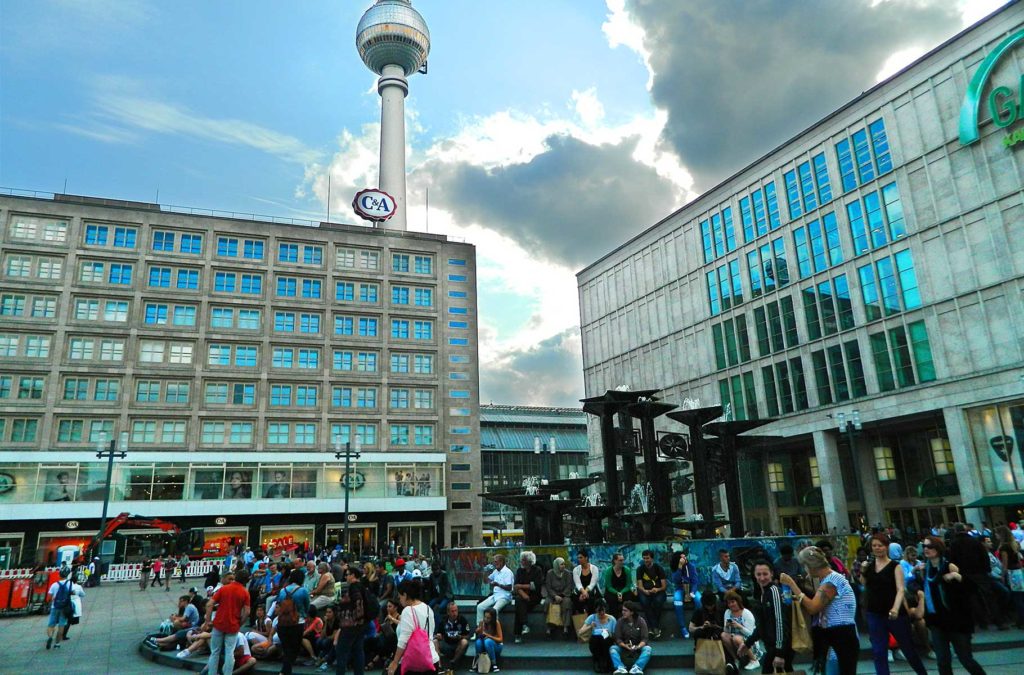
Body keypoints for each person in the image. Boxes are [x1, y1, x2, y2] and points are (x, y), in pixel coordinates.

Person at [779, 546, 859, 675]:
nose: (804, 569)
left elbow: (812, 607)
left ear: (811, 565)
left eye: (805, 566)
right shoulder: (828, 580)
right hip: (836, 635)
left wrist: (792, 585)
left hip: (842, 635)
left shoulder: (831, 582)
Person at [859, 533, 927, 675]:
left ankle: (922, 672)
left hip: (896, 613)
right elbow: (865, 584)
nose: (877, 548)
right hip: (875, 612)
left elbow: (900, 589)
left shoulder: (895, 566)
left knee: (908, 649)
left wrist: (895, 608)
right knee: (878, 651)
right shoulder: (870, 566)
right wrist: (863, 571)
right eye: (874, 546)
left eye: (880, 545)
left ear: (887, 547)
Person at [921, 535, 987, 675]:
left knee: (965, 658)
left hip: (957, 620)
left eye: (930, 546)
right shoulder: (925, 569)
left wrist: (958, 577)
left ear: (938, 549)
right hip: (937, 621)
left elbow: (972, 588)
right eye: (924, 546)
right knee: (943, 660)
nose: (926, 549)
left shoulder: (949, 565)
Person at [741, 561, 791, 674]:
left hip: (779, 647)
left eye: (765, 574)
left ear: (771, 574)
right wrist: (748, 643)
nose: (762, 578)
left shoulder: (774, 591)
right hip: (772, 646)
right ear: (754, 575)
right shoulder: (763, 594)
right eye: (759, 574)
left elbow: (780, 622)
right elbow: (762, 624)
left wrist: (780, 653)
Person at [389, 579, 441, 675]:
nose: (399, 600)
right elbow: (430, 633)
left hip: (415, 664)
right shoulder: (428, 608)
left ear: (405, 595)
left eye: (400, 597)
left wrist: (395, 662)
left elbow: (403, 640)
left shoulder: (408, 611)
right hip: (432, 659)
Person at [205, 569, 251, 675]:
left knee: (215, 652)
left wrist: (208, 621)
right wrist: (240, 623)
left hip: (219, 623)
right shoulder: (245, 592)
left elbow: (209, 604)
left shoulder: (224, 589)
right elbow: (247, 611)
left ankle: (211, 673)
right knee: (229, 652)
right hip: (233, 625)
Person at [333, 565, 368, 675]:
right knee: (358, 651)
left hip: (350, 624)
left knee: (341, 652)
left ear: (353, 575)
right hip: (360, 625)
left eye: (347, 575)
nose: (346, 577)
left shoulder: (354, 588)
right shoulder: (362, 587)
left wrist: (357, 617)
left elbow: (358, 604)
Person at [277, 568, 311, 675]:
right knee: (294, 648)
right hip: (297, 622)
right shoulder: (303, 591)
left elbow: (278, 603)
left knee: (286, 648)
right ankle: (284, 672)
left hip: (282, 623)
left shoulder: (283, 590)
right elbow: (307, 607)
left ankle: (285, 671)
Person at [720, 590, 758, 671]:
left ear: (738, 601)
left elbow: (751, 634)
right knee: (723, 635)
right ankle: (736, 659)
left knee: (736, 638)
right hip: (734, 638)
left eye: (733, 602)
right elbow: (726, 631)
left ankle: (754, 660)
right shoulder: (727, 612)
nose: (731, 605)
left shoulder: (747, 613)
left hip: (749, 641)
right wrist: (727, 626)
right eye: (729, 603)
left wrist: (739, 626)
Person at [512, 550, 545, 643]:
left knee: (519, 607)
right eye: (521, 560)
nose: (521, 562)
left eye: (523, 560)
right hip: (523, 595)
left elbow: (536, 586)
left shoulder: (537, 570)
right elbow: (515, 586)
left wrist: (521, 586)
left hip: (535, 596)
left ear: (529, 561)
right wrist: (523, 594)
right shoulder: (519, 571)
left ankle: (518, 634)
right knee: (519, 601)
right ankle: (525, 625)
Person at [610, 601, 651, 675]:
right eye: (622, 610)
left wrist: (638, 646)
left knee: (648, 649)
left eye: (625, 610)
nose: (623, 612)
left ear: (632, 612)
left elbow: (645, 638)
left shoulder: (641, 621)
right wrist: (625, 645)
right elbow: (617, 638)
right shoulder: (620, 621)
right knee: (613, 648)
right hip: (624, 646)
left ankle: (637, 667)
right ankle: (620, 667)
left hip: (637, 646)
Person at [996, 525, 1024, 627]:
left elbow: (1005, 563)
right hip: (1018, 571)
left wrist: (1003, 575)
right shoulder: (1014, 544)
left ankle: (1021, 620)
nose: (996, 536)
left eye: (997, 534)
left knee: (1016, 598)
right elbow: (1019, 559)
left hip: (1011, 572)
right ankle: (1020, 620)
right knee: (1020, 596)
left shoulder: (1004, 547)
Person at [635, 550, 667, 639]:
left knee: (658, 601)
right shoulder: (640, 569)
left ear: (652, 558)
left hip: (658, 591)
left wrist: (657, 589)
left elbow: (664, 586)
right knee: (645, 602)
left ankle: (651, 628)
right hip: (645, 592)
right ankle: (655, 628)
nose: (646, 560)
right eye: (644, 558)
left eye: (647, 558)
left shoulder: (659, 568)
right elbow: (639, 585)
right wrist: (645, 591)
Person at [476, 554, 514, 625]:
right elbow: (486, 581)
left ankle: (494, 632)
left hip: (505, 596)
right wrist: (485, 572)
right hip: (495, 595)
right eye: (494, 562)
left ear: (501, 562)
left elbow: (509, 587)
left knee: (494, 610)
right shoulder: (495, 571)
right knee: (480, 607)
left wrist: (498, 584)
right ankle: (480, 629)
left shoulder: (508, 572)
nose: (494, 563)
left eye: (496, 562)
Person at [434, 601, 471, 672]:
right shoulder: (443, 621)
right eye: (452, 611)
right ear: (448, 612)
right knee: (435, 641)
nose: (454, 613)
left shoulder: (462, 620)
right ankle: (439, 665)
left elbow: (468, 636)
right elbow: (439, 634)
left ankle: (453, 662)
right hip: (447, 644)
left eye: (456, 611)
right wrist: (439, 636)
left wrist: (460, 637)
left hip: (458, 645)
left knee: (464, 642)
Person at [582, 599, 616, 673]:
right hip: (596, 643)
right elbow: (581, 632)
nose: (601, 613)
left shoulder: (612, 619)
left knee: (605, 640)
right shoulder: (592, 617)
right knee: (595, 639)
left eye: (603, 611)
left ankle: (607, 662)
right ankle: (597, 661)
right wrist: (590, 626)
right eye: (599, 612)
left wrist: (609, 634)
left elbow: (615, 636)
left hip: (607, 643)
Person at [545, 556, 574, 639]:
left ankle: (565, 627)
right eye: (561, 564)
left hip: (564, 595)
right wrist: (555, 596)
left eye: (564, 564)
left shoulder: (567, 573)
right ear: (557, 565)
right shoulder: (550, 573)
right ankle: (549, 628)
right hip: (552, 595)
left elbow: (569, 586)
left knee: (567, 602)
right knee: (547, 603)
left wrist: (561, 596)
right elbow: (548, 587)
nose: (563, 566)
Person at [671, 551, 698, 639]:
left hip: (691, 589)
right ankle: (682, 627)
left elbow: (695, 581)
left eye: (685, 557)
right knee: (677, 601)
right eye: (682, 558)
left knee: (699, 600)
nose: (684, 559)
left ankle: (697, 623)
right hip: (680, 589)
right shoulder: (675, 568)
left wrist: (692, 592)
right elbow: (676, 580)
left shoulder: (691, 567)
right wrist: (679, 567)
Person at [45, 568, 75, 649]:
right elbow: (74, 592)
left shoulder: (54, 585)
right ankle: (57, 644)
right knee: (61, 626)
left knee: (51, 625)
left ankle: (50, 637)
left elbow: (49, 597)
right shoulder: (70, 584)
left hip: (55, 607)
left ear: (59, 575)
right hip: (65, 607)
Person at [602, 552, 636, 621]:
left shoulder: (627, 570)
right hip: (612, 590)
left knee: (628, 598)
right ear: (615, 561)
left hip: (624, 590)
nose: (622, 562)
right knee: (612, 600)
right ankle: (613, 621)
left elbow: (628, 585)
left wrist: (621, 593)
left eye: (623, 560)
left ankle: (628, 619)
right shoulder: (609, 571)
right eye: (620, 560)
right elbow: (608, 586)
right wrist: (617, 593)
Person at [473, 606, 503, 673]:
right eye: (485, 617)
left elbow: (500, 639)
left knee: (488, 641)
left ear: (492, 618)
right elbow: (480, 636)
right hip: (485, 645)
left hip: (496, 646)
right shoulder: (482, 622)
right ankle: (477, 663)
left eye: (488, 618)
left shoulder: (496, 623)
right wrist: (478, 632)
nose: (486, 619)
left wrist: (489, 636)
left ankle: (494, 664)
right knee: (478, 642)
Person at [573, 549, 601, 616]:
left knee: (591, 599)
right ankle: (580, 620)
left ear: (586, 558)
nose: (579, 559)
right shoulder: (576, 569)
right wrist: (583, 592)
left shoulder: (594, 568)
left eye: (581, 557)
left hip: (591, 590)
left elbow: (592, 583)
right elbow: (578, 583)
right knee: (576, 599)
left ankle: (591, 618)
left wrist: (586, 592)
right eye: (578, 558)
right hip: (580, 590)